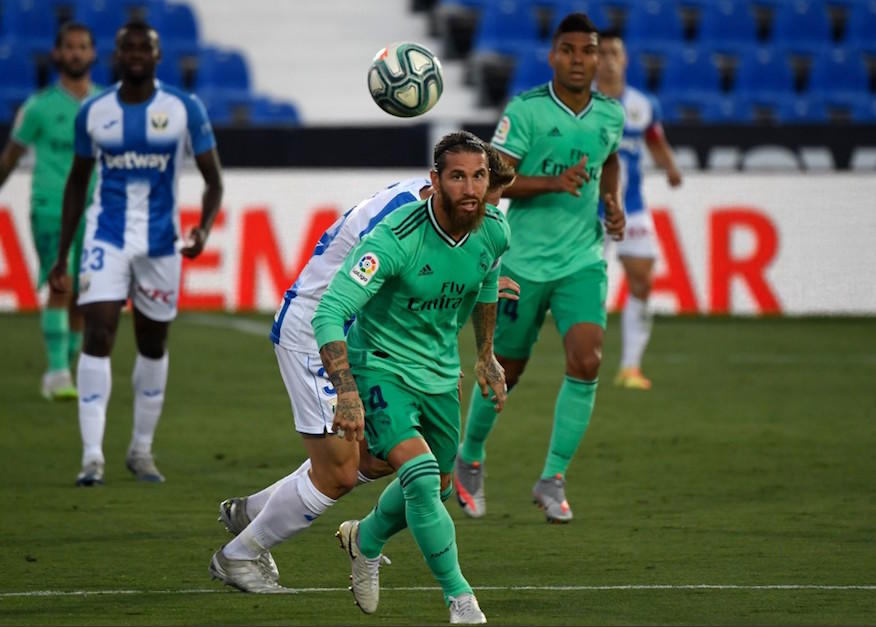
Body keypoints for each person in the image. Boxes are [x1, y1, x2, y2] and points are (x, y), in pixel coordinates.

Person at [208, 143, 518, 595]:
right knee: (338, 473)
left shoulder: (439, 208)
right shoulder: (404, 222)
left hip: (360, 337)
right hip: (319, 332)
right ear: (443, 182)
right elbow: (365, 294)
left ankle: (252, 512)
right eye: (486, 199)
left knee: (381, 455)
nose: (484, 210)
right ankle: (238, 556)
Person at [312, 131, 508, 624]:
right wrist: (347, 391)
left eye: (479, 176)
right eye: (458, 177)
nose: (470, 189)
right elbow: (329, 312)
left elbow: (486, 279)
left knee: (438, 487)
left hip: (439, 373)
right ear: (434, 181)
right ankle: (461, 599)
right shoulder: (394, 239)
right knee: (420, 477)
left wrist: (485, 354)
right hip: (380, 366)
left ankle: (365, 539)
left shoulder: (494, 231)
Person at [454, 13, 626, 525]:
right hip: (523, 262)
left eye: (588, 51)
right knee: (505, 371)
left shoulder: (610, 114)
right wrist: (554, 183)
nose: (578, 59)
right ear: (553, 56)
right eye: (568, 50)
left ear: (597, 58)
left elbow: (610, 158)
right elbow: (491, 183)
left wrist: (611, 201)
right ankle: (469, 458)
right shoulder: (526, 111)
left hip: (582, 261)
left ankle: (552, 478)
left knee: (588, 360)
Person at [48, 19, 223, 487]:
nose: (137, 55)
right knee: (99, 331)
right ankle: (91, 457)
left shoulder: (184, 108)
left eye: (145, 48)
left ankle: (141, 450)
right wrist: (62, 255)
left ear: (157, 56)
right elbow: (76, 183)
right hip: (106, 237)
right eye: (129, 48)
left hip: (161, 244)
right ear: (117, 55)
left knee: (152, 343)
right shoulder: (94, 111)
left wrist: (204, 229)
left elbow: (214, 181)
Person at [0, 22, 100, 401]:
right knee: (62, 283)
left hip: (95, 210)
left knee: (84, 296)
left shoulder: (106, 104)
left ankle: (62, 368)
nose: (76, 53)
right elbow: (9, 158)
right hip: (51, 206)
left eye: (83, 46)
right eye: (69, 46)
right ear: (57, 54)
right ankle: (58, 372)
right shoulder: (38, 107)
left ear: (93, 54)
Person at [595, 29, 683, 390]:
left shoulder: (643, 105)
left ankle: (630, 367)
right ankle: (582, 361)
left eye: (614, 52)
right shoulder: (581, 104)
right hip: (588, 212)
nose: (608, 60)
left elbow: (655, 141)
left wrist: (671, 168)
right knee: (587, 289)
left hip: (631, 207)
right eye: (601, 53)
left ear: (625, 58)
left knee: (643, 280)